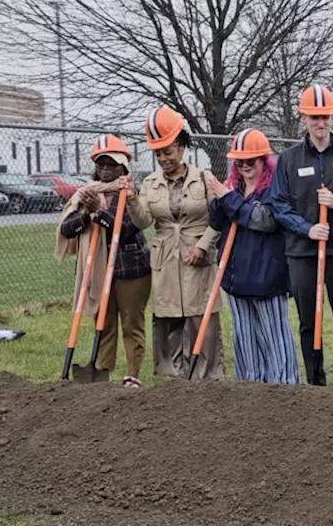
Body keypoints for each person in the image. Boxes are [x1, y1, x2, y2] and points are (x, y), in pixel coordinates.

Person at [268, 84, 333, 387]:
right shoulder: (289, 160)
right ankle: (315, 382)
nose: (320, 123)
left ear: (332, 118)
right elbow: (278, 204)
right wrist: (307, 229)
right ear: (305, 118)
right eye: (314, 117)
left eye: (325, 117)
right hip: (302, 253)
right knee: (310, 322)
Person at [130, 107, 224, 379]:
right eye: (158, 154)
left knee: (200, 320)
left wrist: (203, 245)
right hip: (166, 261)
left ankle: (205, 380)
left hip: (197, 258)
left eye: (168, 151)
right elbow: (143, 221)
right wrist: (133, 200)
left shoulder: (204, 179)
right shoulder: (149, 183)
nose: (163, 159)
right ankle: (172, 385)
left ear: (181, 148)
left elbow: (218, 218)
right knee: (168, 321)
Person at [55, 135, 152, 387]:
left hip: (131, 270)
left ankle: (133, 374)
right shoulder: (86, 194)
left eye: (112, 164)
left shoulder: (129, 191)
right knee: (104, 324)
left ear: (123, 166)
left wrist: (97, 212)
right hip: (98, 271)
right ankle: (102, 373)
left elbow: (124, 226)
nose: (106, 169)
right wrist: (87, 213)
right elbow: (67, 229)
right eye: (101, 164)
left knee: (132, 324)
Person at [206, 128, 299, 384]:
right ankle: (248, 391)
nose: (245, 165)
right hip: (236, 279)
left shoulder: (274, 191)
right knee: (245, 342)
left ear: (263, 161)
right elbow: (216, 221)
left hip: (266, 278)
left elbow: (266, 220)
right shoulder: (232, 188)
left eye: (251, 160)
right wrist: (219, 201)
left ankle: (285, 391)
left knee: (276, 342)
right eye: (240, 161)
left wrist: (230, 199)